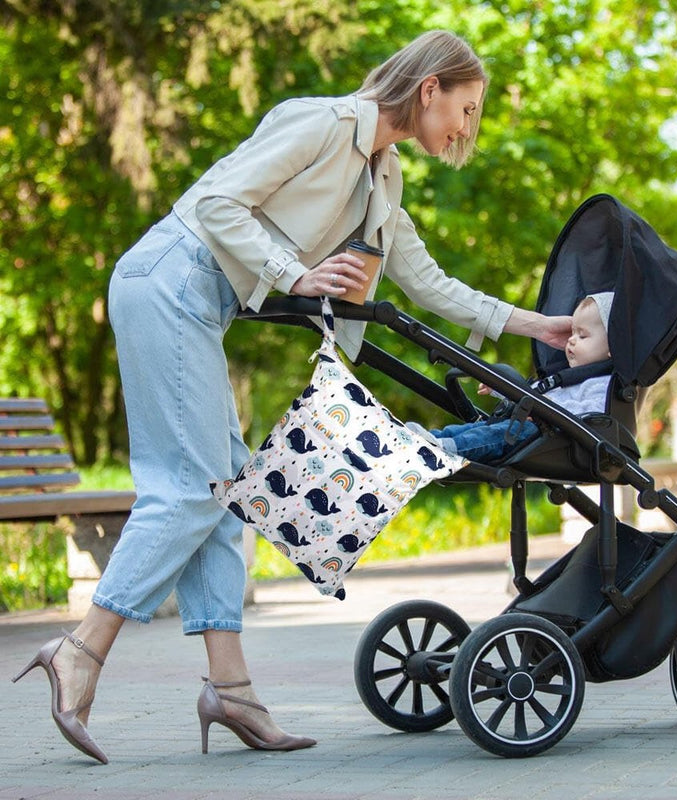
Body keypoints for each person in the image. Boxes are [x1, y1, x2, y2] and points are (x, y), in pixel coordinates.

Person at [11, 30, 573, 764]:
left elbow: (431, 285)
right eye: (466, 109)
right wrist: (293, 273)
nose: (467, 129)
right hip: (168, 281)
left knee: (227, 493)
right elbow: (217, 203)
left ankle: (232, 691)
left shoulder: (383, 176)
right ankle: (81, 650)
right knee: (189, 492)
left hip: (198, 303)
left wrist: (542, 326)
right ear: (429, 87)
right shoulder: (323, 123)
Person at [408, 292, 614, 462]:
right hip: (530, 429)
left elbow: (593, 416)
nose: (571, 341)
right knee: (479, 428)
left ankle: (444, 448)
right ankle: (429, 439)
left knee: (491, 435)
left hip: (550, 438)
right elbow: (529, 393)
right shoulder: (566, 377)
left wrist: (548, 409)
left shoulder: (602, 385)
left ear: (612, 346)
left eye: (582, 335)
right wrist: (500, 388)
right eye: (572, 333)